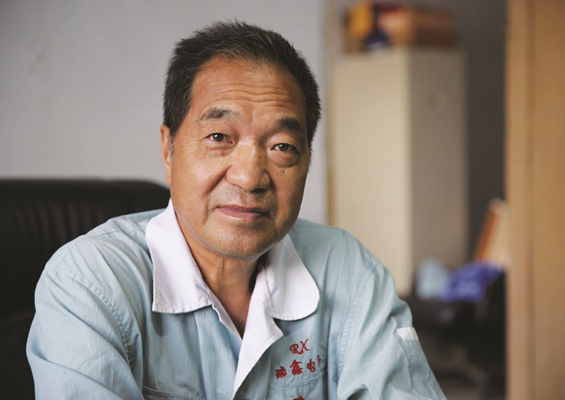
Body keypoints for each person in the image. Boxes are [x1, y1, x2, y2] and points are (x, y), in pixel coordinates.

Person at [27, 21, 446, 399]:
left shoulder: (349, 270)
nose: (249, 178)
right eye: (218, 137)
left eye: (283, 146)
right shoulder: (89, 282)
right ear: (168, 149)